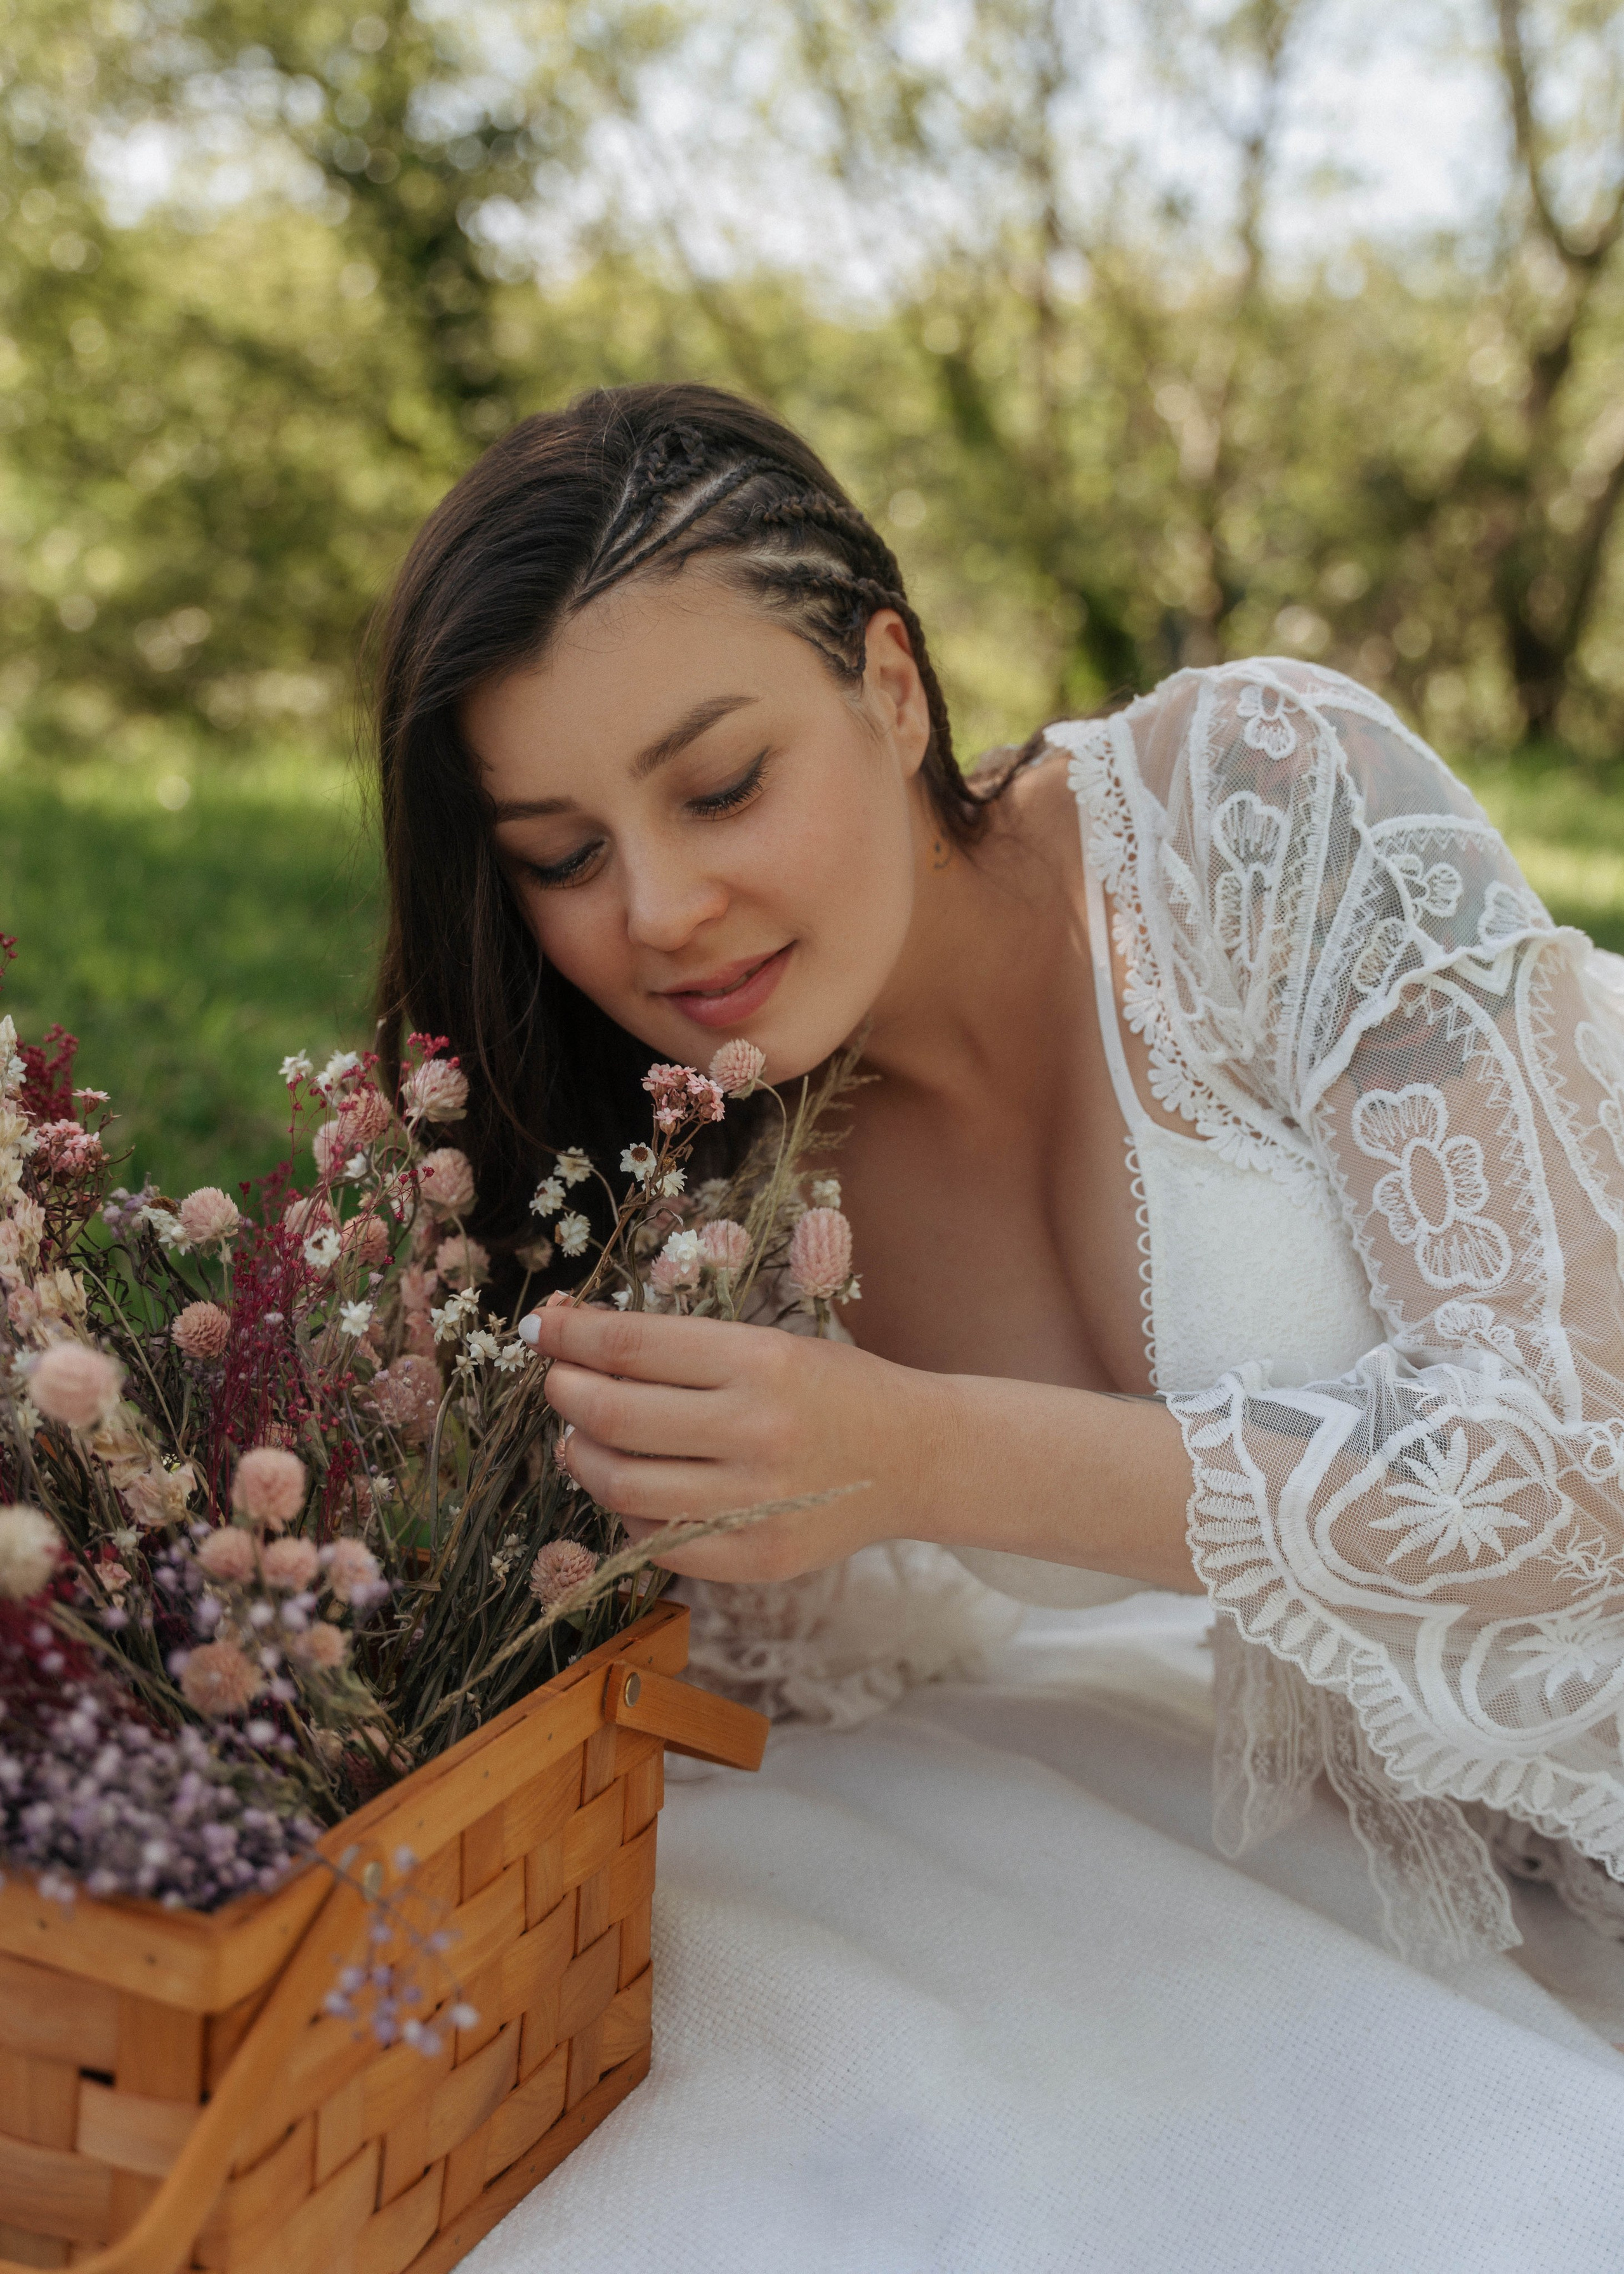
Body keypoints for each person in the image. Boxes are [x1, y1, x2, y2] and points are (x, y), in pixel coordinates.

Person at [372, 382, 1624, 2268]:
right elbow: (774, 1673)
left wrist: (924, 1458)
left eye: (721, 785)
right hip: (1504, 1857)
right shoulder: (715, 1193)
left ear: (893, 686)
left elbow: (1569, 1474)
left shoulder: (1246, 801)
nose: (663, 908)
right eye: (560, 853)